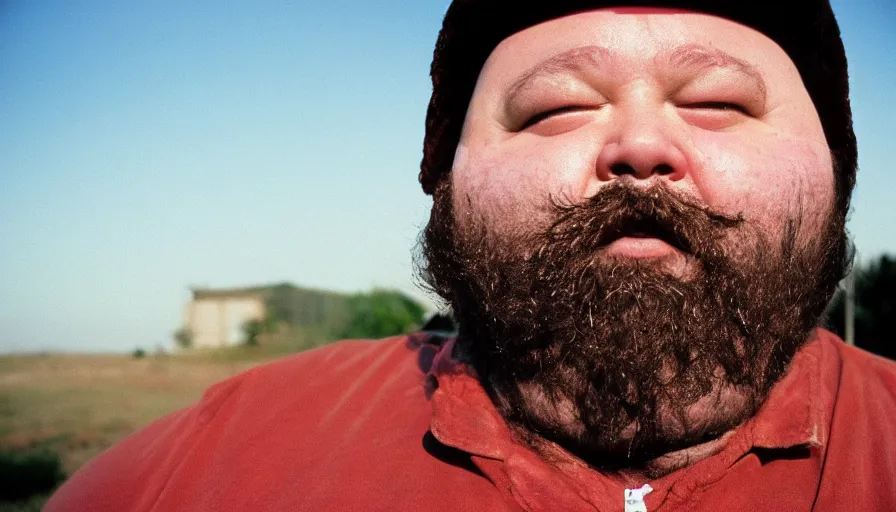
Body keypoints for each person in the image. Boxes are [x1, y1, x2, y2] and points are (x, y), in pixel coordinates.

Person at [46, 2, 896, 511]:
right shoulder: (202, 472)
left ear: (836, 172)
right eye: (556, 107)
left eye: (716, 101)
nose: (640, 144)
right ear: (445, 178)